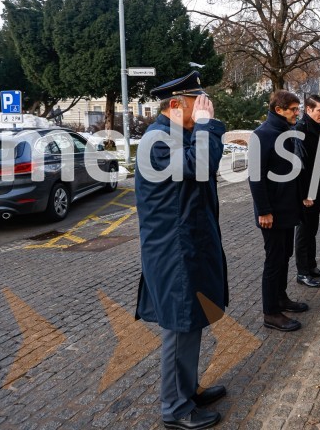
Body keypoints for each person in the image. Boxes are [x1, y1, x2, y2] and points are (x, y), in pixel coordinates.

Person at [134, 71, 227, 430]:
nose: (206, 107)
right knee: (180, 325)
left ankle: (187, 389)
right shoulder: (157, 141)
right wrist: (206, 127)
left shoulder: (178, 136)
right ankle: (174, 408)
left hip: (187, 246)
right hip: (173, 252)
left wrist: (202, 128)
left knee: (192, 322)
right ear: (176, 104)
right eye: (198, 102)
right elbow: (202, 166)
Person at [249, 90, 311, 333]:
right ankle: (270, 313)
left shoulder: (285, 132)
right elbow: (256, 177)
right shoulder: (262, 135)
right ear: (279, 110)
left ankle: (281, 298)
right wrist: (263, 211)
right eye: (293, 109)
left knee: (284, 255)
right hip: (272, 213)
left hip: (287, 210)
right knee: (273, 260)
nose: (297, 113)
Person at [293, 95, 320, 288]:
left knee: (313, 230)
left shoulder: (319, 129)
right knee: (303, 233)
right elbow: (299, 167)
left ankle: (311, 266)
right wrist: (304, 195)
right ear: (308, 110)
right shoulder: (300, 130)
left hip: (317, 188)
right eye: (319, 110)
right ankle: (302, 272)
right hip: (306, 192)